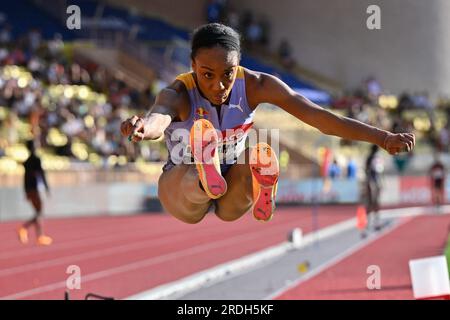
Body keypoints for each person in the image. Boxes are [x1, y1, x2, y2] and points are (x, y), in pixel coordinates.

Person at [120, 23, 415, 225]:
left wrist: (382, 137)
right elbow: (159, 116)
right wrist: (144, 127)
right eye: (207, 74)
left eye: (228, 73)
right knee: (189, 178)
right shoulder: (178, 92)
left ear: (239, 64)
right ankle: (203, 173)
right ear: (192, 65)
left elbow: (320, 117)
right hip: (184, 186)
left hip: (231, 184)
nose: (219, 84)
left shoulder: (257, 85)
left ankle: (250, 185)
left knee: (253, 160)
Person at [17, 140, 53, 245]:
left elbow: (25, 178)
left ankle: (39, 236)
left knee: (38, 212)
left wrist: (26, 191)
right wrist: (47, 188)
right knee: (39, 212)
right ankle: (24, 228)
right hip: (34, 189)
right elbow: (42, 174)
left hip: (29, 189)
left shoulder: (27, 161)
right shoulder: (36, 160)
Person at [363, 145, 383, 236]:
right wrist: (369, 183)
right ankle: (369, 223)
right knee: (371, 203)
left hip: (376, 181)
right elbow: (368, 171)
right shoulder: (371, 157)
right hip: (372, 182)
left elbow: (379, 171)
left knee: (375, 202)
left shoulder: (377, 157)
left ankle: (376, 222)